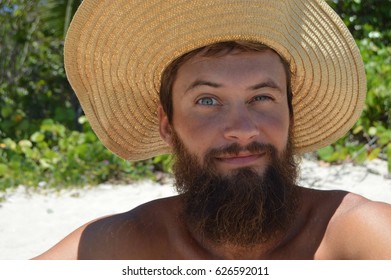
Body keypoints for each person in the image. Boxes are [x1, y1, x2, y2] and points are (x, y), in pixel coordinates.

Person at [33, 0, 391, 259]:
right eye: (207, 101)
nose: (242, 130)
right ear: (167, 124)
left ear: (291, 114)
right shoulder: (123, 244)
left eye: (262, 97)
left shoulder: (356, 234)